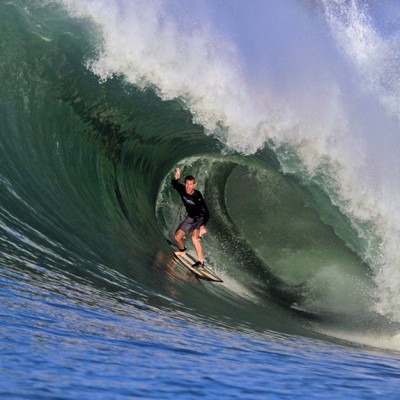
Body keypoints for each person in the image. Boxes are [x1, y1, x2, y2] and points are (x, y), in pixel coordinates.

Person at [171, 167, 210, 269]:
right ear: (184, 184)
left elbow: (207, 213)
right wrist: (177, 176)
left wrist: (202, 226)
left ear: (194, 185)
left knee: (194, 238)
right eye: (187, 184)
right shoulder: (182, 189)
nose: (188, 187)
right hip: (190, 217)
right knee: (177, 237)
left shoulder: (198, 196)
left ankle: (201, 262)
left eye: (190, 185)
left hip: (200, 218)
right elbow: (174, 184)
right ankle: (183, 251)